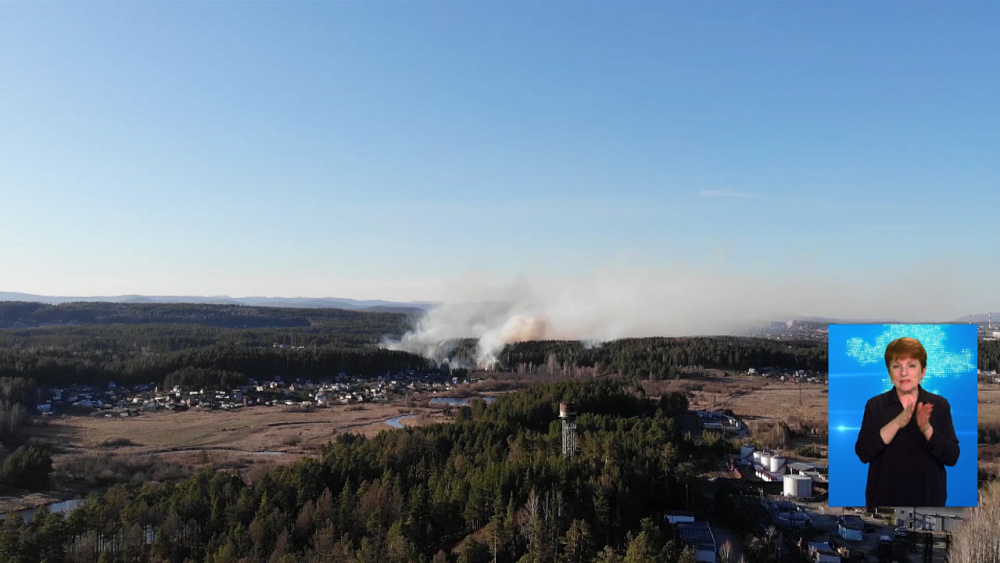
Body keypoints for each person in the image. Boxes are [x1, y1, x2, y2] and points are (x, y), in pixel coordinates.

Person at [854, 337, 960, 506]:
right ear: (889, 373)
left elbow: (953, 457)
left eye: (911, 366)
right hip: (884, 503)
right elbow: (863, 453)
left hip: (929, 503)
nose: (904, 373)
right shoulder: (875, 406)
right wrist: (895, 423)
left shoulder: (940, 406)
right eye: (897, 366)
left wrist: (927, 430)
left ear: (923, 371)